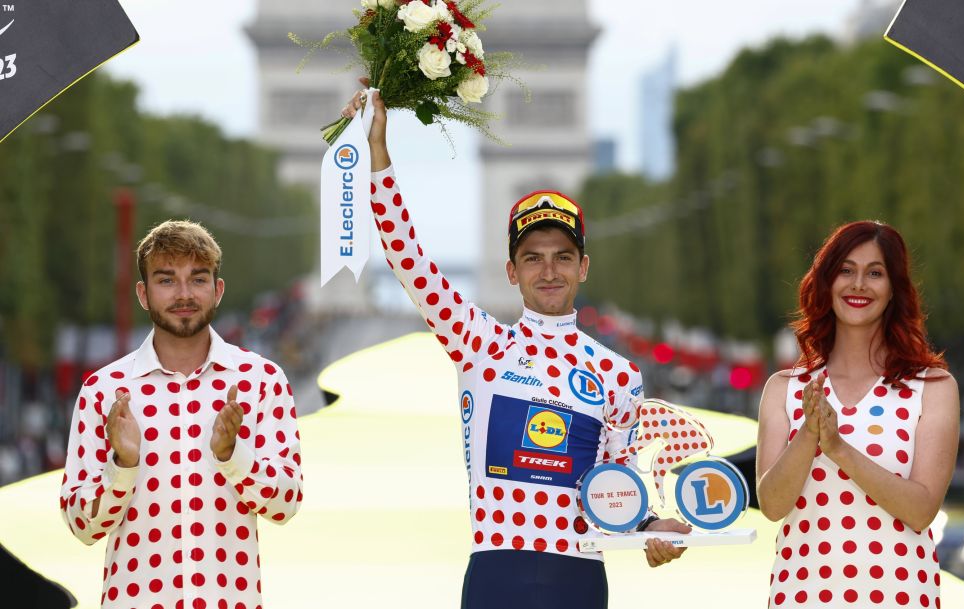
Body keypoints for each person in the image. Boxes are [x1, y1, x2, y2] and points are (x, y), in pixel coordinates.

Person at [343, 84, 688, 609]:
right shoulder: (479, 343)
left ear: (583, 267)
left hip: (579, 578)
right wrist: (376, 151)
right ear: (511, 271)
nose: (549, 271)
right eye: (532, 257)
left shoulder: (620, 375)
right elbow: (406, 257)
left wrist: (653, 530)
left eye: (563, 256)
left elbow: (618, 492)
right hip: (496, 572)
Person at [59, 220, 303, 609]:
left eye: (198, 279)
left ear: (218, 290)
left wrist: (231, 456)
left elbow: (285, 504)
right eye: (167, 280)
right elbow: (82, 526)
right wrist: (123, 466)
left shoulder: (260, 381)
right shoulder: (104, 391)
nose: (184, 294)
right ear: (143, 293)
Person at [755, 220, 959, 607]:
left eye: (875, 273)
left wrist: (838, 448)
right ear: (826, 282)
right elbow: (773, 505)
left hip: (900, 595)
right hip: (804, 593)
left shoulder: (932, 388)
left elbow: (920, 510)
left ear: (894, 288)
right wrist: (809, 434)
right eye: (846, 270)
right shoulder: (785, 388)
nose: (859, 284)